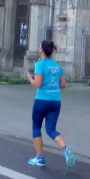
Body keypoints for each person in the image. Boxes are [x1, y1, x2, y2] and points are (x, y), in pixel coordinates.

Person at [25, 40, 75, 168]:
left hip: (42, 100)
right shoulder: (57, 65)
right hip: (55, 101)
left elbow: (37, 84)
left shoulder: (40, 64)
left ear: (41, 50)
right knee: (51, 129)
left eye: (39, 47)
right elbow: (63, 84)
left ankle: (40, 158)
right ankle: (65, 148)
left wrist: (30, 78)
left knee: (36, 127)